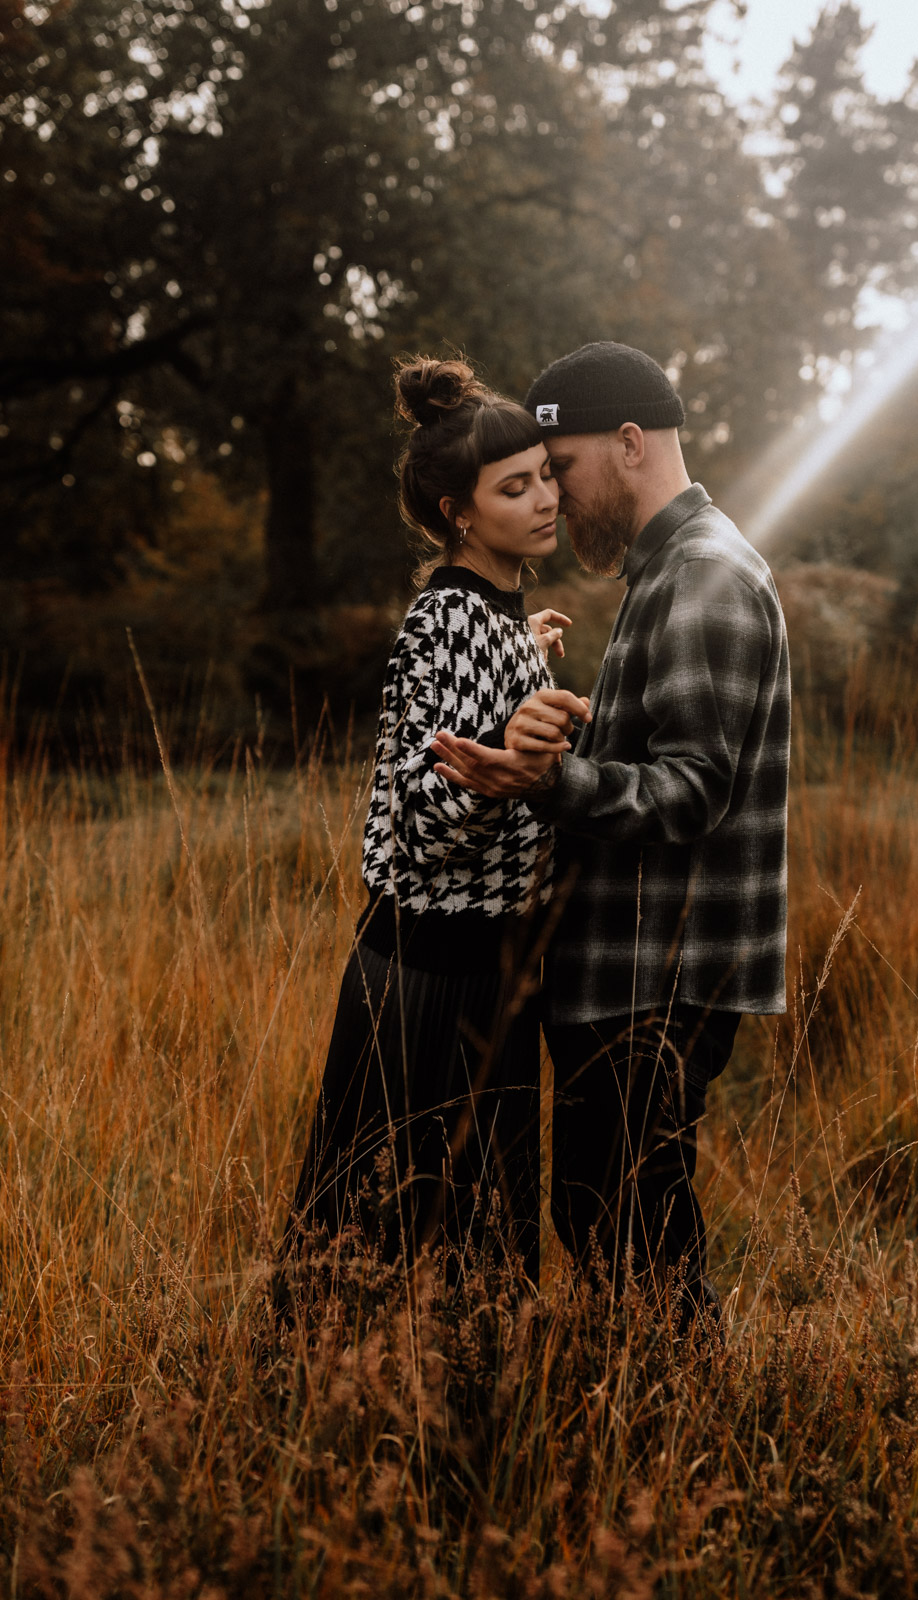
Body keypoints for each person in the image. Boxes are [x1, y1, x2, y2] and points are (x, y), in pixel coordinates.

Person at [432, 341, 790, 1325]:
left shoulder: (703, 575)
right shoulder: (667, 570)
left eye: (564, 468)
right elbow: (667, 747)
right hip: (626, 967)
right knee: (604, 1217)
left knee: (632, 1233)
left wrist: (546, 780)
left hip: (657, 976)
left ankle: (680, 1442)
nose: (555, 495)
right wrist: (572, 719)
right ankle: (655, 1428)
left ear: (629, 444)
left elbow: (688, 791)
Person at [280, 356, 572, 1297]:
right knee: (383, 1243)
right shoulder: (444, 618)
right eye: (514, 486)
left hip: (489, 965)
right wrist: (509, 759)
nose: (545, 499)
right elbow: (418, 819)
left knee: (479, 1245)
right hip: (425, 975)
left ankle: (461, 1424)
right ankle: (346, 1416)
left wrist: (522, 667)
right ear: (458, 512)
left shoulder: (492, 613)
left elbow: (471, 722)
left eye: (546, 475)